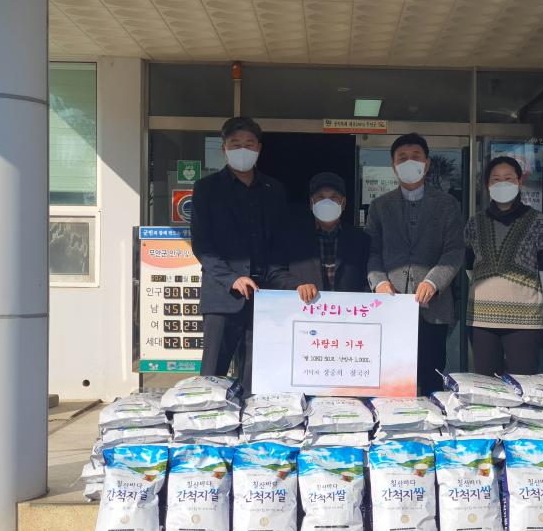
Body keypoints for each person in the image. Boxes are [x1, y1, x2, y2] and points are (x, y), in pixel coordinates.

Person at [190, 117, 287, 389]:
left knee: (257, 378)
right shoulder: (206, 189)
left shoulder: (274, 189)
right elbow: (202, 245)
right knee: (212, 377)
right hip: (222, 297)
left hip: (265, 298)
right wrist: (232, 278)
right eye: (235, 144)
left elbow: (281, 243)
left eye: (249, 144)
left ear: (259, 148)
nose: (242, 150)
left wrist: (278, 282)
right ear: (224, 149)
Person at [366, 133, 465, 396]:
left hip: (434, 307)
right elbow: (372, 251)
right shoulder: (379, 206)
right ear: (393, 165)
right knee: (391, 380)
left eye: (416, 157)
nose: (409, 162)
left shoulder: (448, 204)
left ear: (427, 163)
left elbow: (455, 250)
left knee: (431, 380)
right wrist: (380, 283)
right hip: (391, 305)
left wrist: (433, 281)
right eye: (402, 158)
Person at [465, 155, 543, 375]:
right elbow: (469, 266)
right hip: (481, 319)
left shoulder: (539, 221)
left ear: (519, 182)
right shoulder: (474, 223)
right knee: (487, 385)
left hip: (525, 321)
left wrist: (523, 293)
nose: (502, 184)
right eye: (496, 179)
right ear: (487, 185)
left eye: (508, 178)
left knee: (523, 384)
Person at [268, 172, 370, 300]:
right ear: (312, 203)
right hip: (305, 309)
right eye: (320, 197)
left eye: (334, 197)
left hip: (347, 310)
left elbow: (368, 280)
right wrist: (297, 286)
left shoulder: (361, 239)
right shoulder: (289, 237)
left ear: (343, 204)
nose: (327, 202)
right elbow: (275, 273)